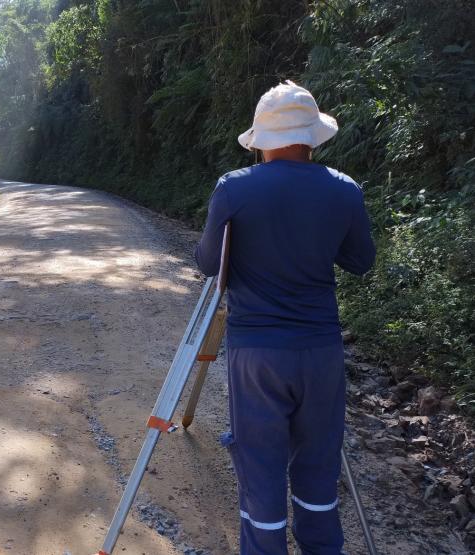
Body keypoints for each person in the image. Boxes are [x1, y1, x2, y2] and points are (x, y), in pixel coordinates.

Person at [195, 81, 376, 555]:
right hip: (320, 353)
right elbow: (361, 260)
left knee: (260, 467)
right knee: (318, 468)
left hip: (257, 356)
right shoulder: (345, 190)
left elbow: (209, 264)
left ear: (262, 143)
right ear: (312, 138)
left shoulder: (234, 188)